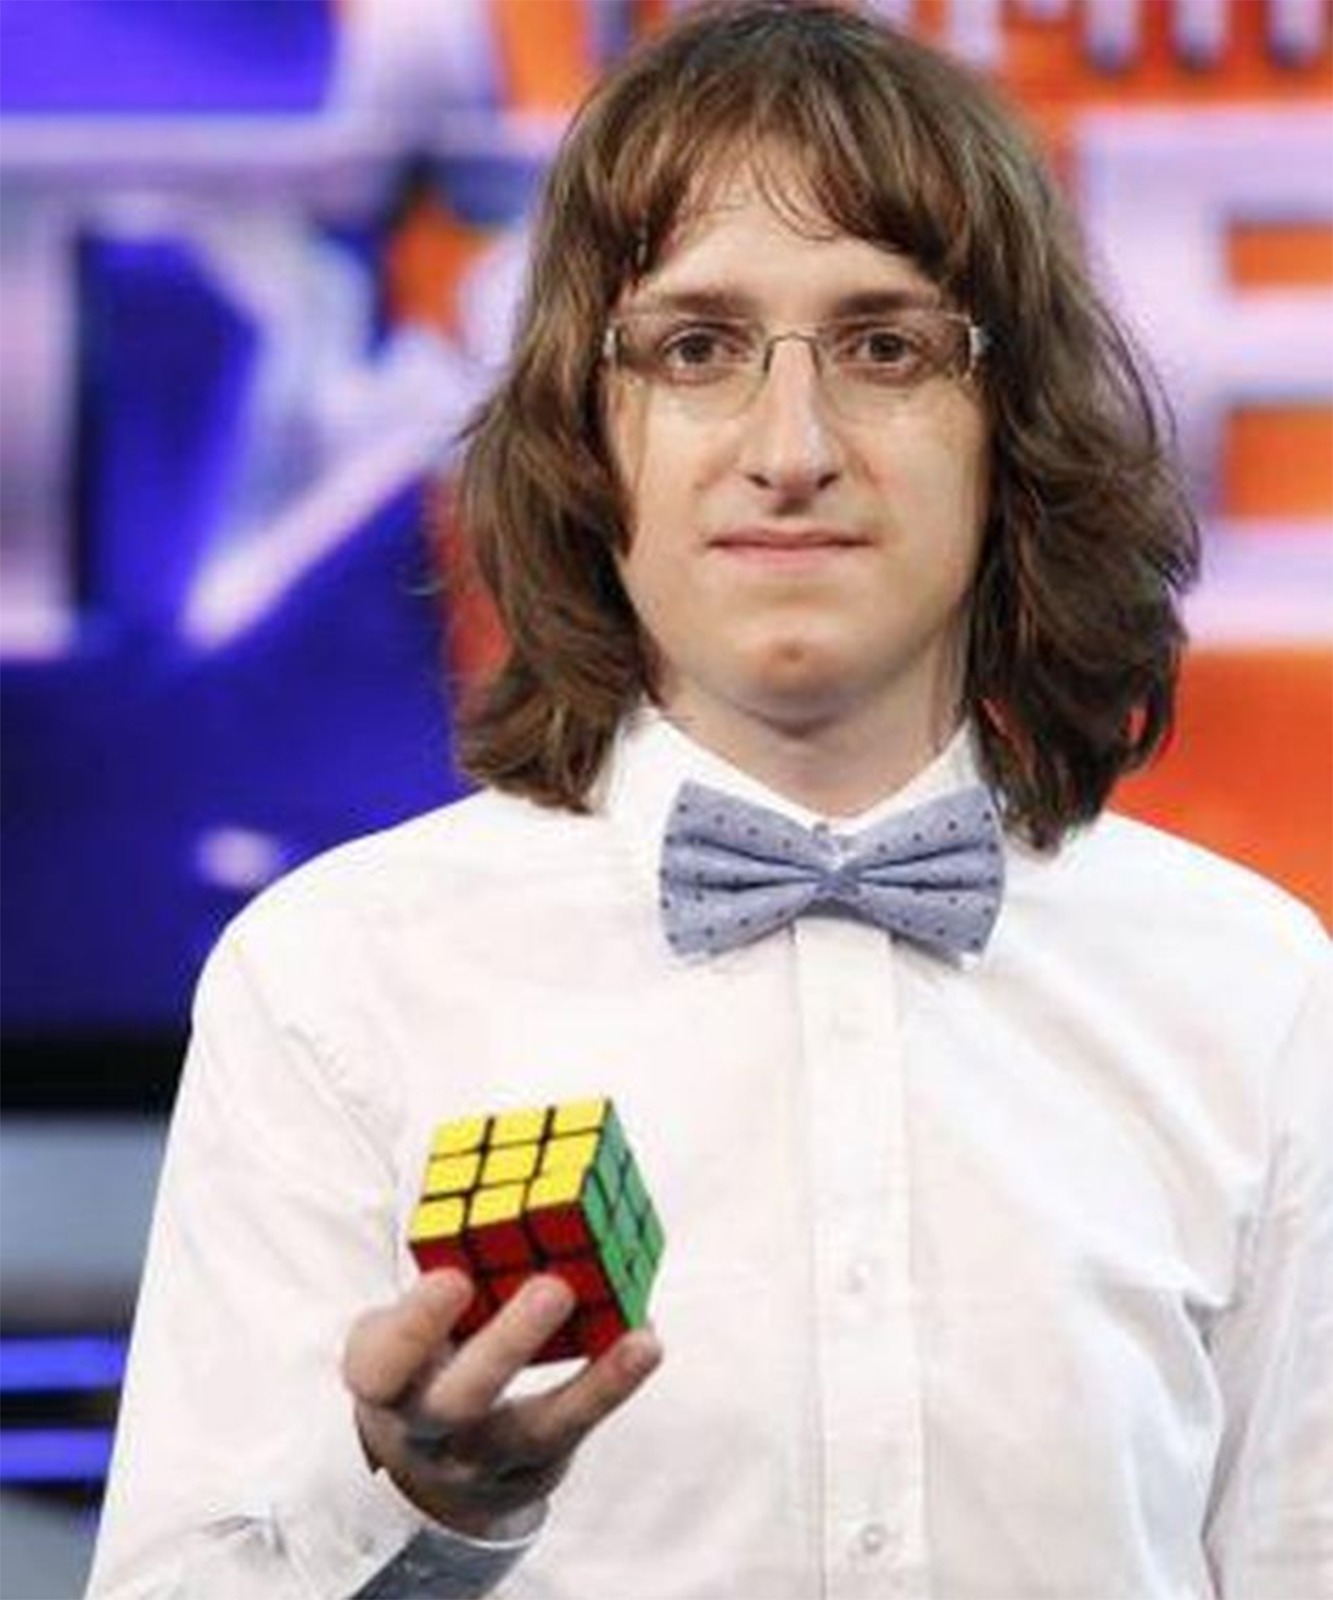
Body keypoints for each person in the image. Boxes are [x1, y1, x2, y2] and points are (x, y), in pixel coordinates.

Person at [88, 2, 1331, 1597]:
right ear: (584, 435)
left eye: (884, 348)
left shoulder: (1250, 985)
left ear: (1010, 431)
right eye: (696, 350)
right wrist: (422, 1512)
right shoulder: (333, 975)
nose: (789, 449)